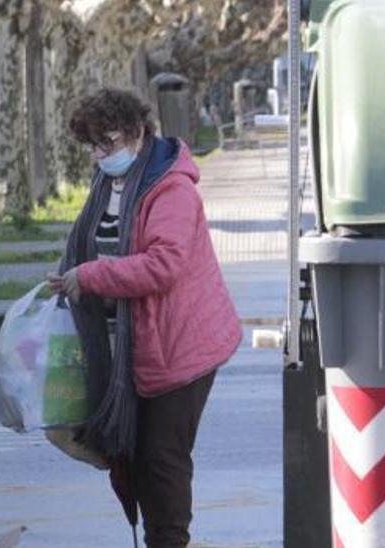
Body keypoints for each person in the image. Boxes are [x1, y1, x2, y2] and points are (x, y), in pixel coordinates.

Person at [47, 88, 241, 547]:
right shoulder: (110, 183)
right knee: (134, 456)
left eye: (107, 142)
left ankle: (168, 542)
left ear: (137, 133)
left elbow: (163, 265)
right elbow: (96, 242)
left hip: (182, 347)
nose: (99, 154)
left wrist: (92, 276)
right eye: (92, 145)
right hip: (133, 346)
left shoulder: (171, 189)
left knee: (162, 459)